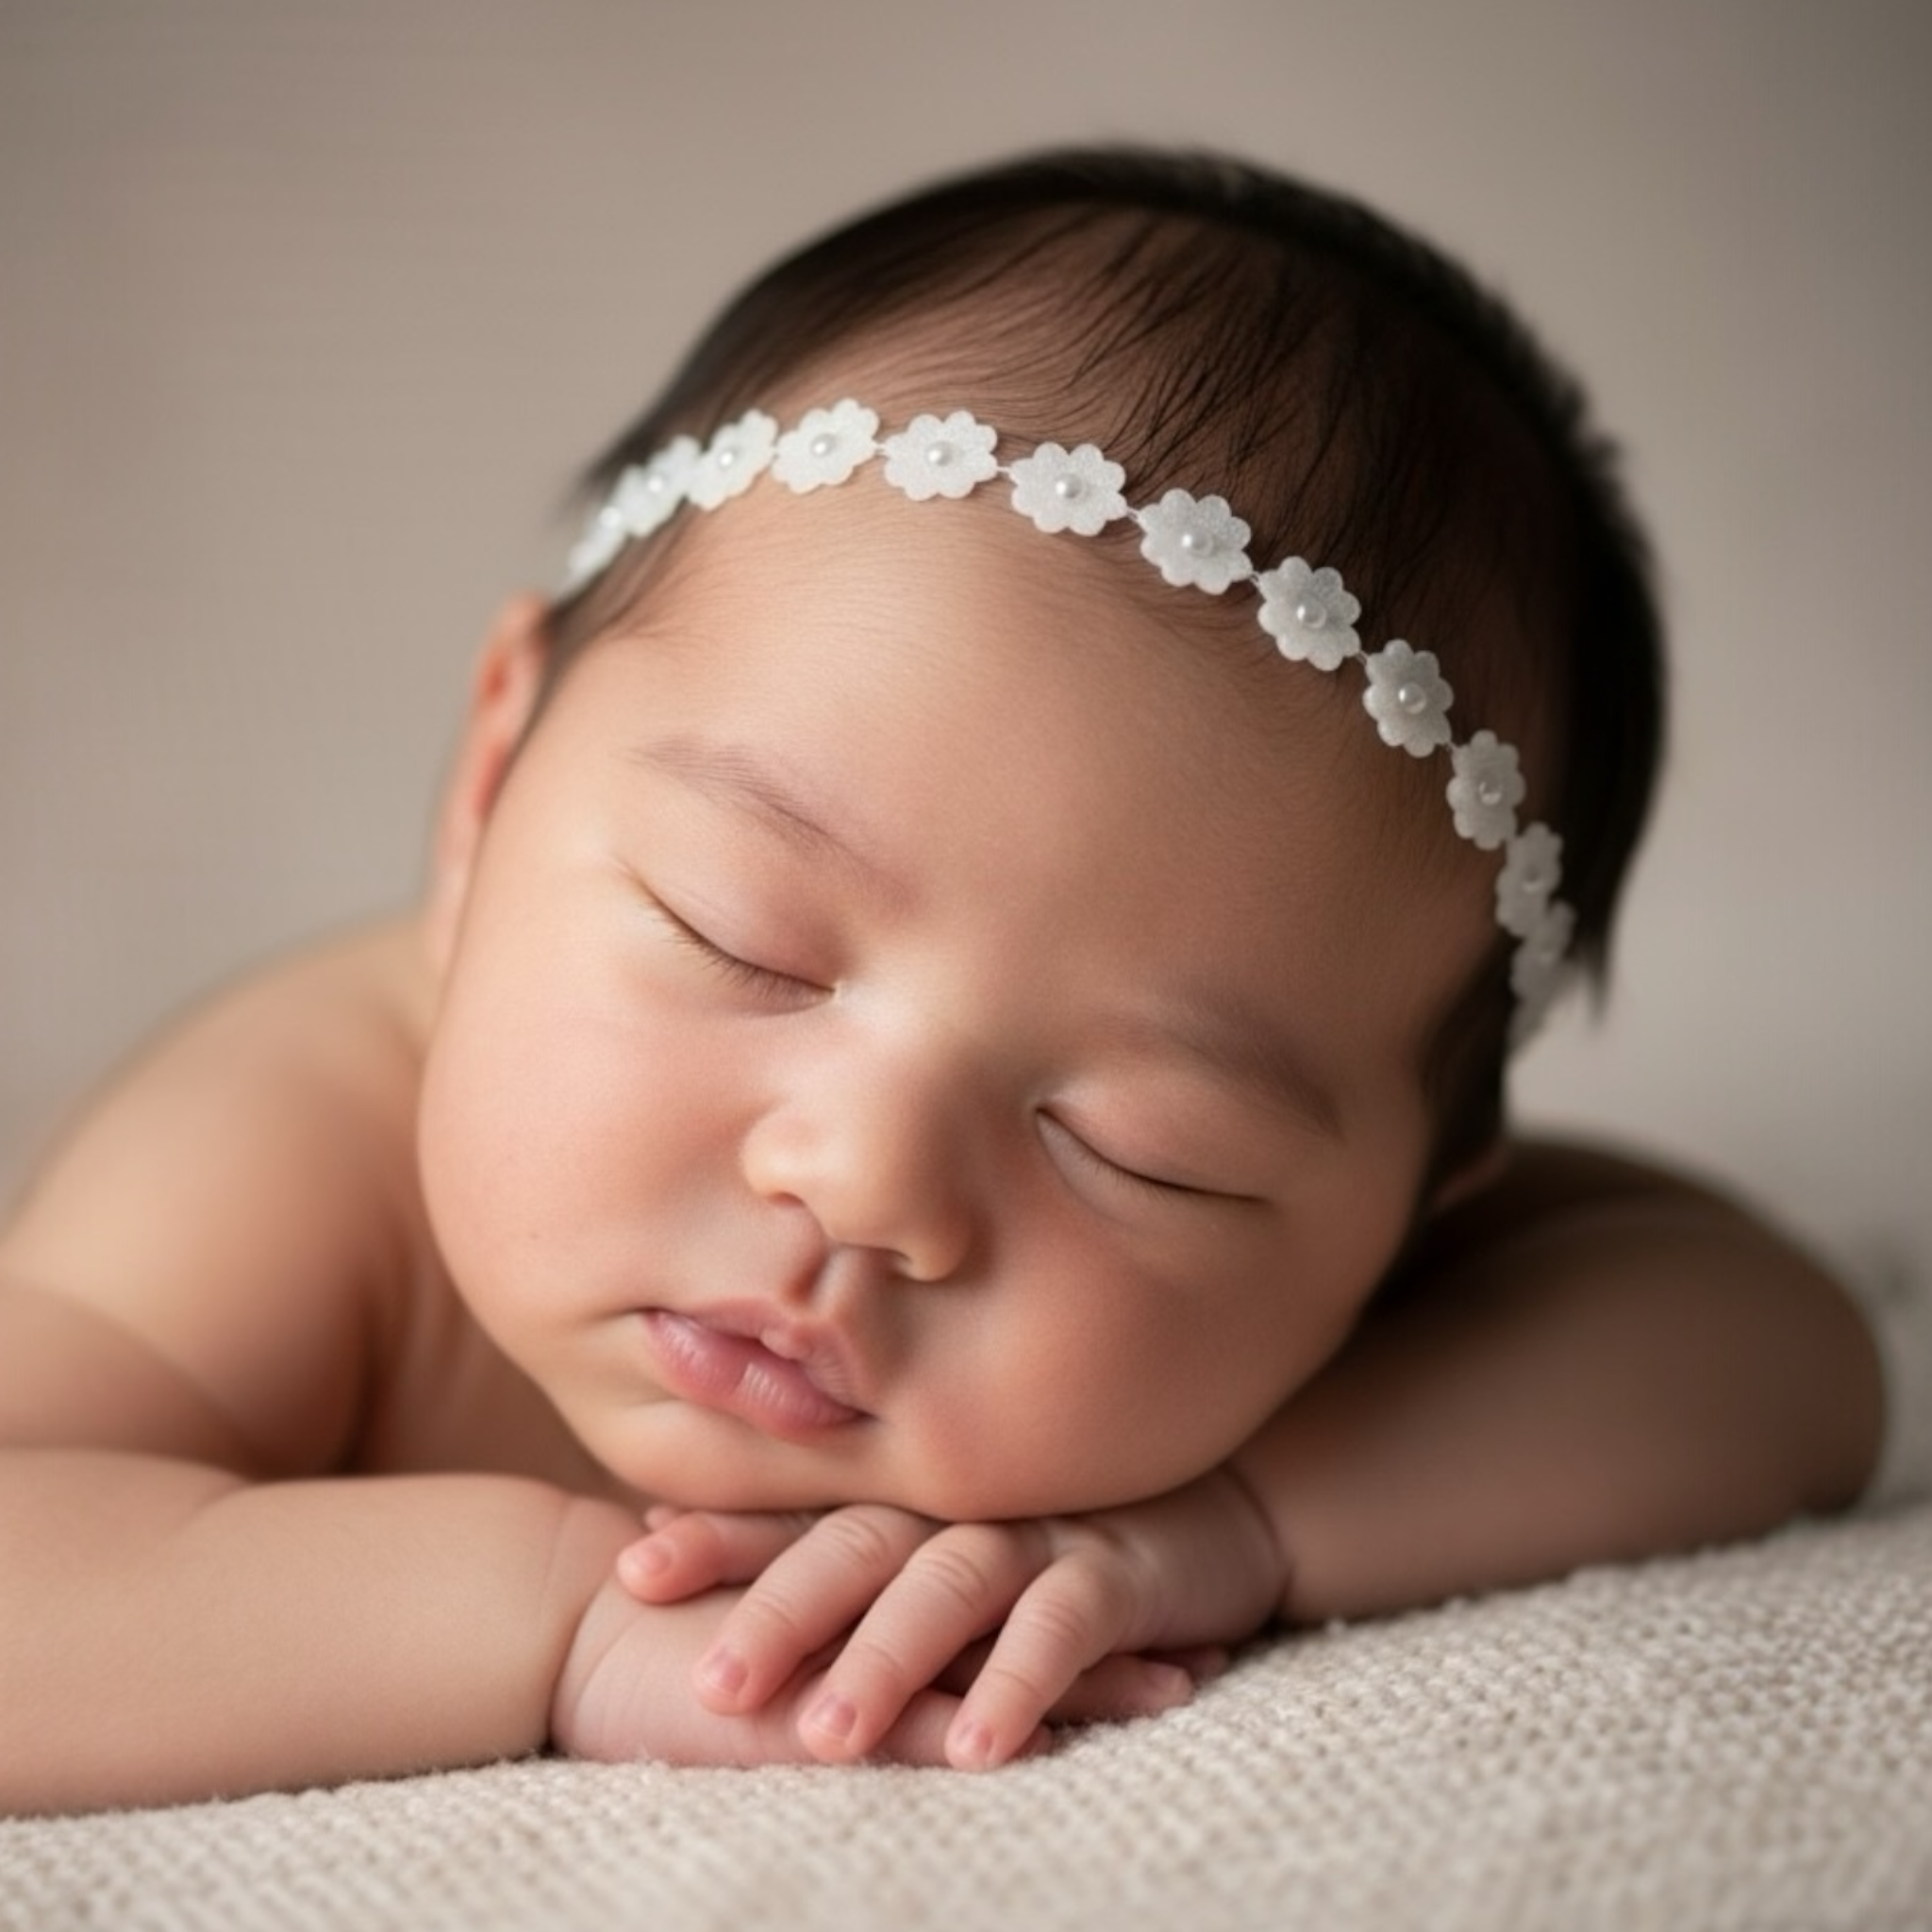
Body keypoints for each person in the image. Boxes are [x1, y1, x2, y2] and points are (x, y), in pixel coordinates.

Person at [0, 147, 1882, 1814]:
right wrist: (556, 1622)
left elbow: (1780, 1351)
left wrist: (1233, 1526)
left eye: (1141, 1147)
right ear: (491, 780)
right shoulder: (302, 1143)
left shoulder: (1331, 1315)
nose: (864, 1177)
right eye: (737, 935)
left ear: (1399, 1215)